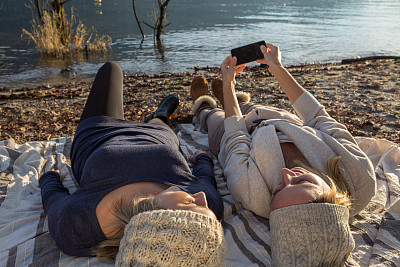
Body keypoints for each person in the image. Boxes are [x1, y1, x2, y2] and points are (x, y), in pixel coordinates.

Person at [190, 43, 376, 266]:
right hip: (280, 120)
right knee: (251, 106)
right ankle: (234, 99)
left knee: (214, 120)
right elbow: (317, 116)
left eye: (278, 188)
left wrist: (229, 83)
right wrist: (276, 67)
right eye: (300, 181)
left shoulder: (255, 195)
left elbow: (235, 137)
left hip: (242, 134)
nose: (286, 174)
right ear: (332, 195)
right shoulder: (359, 176)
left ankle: (203, 105)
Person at [39, 62, 226, 266]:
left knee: (111, 69)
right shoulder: (207, 213)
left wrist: (51, 177)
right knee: (160, 123)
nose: (201, 197)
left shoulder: (76, 227)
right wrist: (202, 158)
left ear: (163, 220)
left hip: (99, 134)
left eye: (191, 204)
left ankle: (159, 116)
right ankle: (160, 115)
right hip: (157, 135)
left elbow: (53, 199)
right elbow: (206, 178)